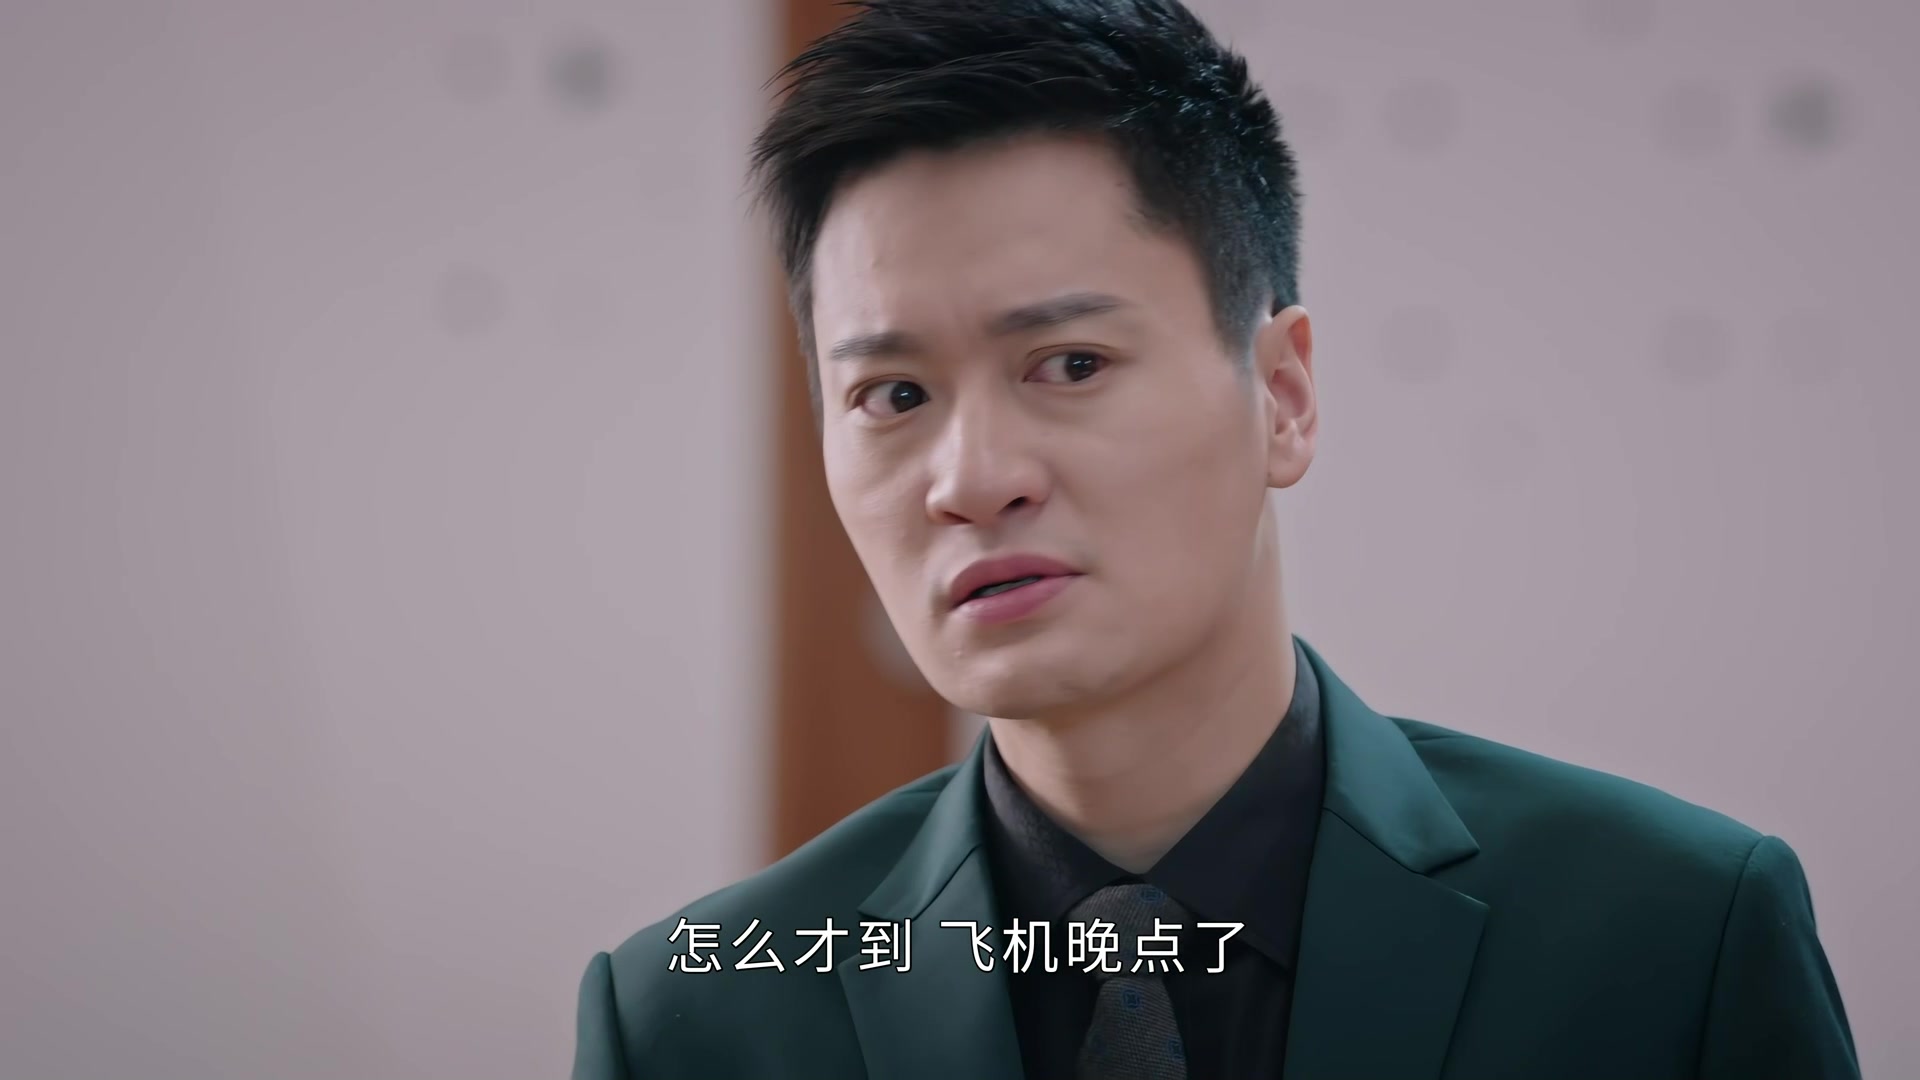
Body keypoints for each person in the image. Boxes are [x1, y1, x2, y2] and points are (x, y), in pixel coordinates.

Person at [571, 1, 1859, 1076]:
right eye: (895, 395)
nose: (971, 480)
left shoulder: (1673, 938)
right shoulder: (695, 1017)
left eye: (1070, 363)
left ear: (1282, 396)